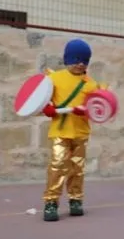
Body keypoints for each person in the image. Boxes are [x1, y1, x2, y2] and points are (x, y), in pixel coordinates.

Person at [39, 38, 102, 222]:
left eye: (84, 60)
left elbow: (99, 109)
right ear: (67, 59)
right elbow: (43, 99)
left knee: (77, 167)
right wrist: (47, 107)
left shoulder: (91, 84)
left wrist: (87, 111)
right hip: (60, 131)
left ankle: (76, 199)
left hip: (80, 133)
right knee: (57, 165)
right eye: (76, 59)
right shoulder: (54, 78)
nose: (80, 64)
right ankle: (51, 201)